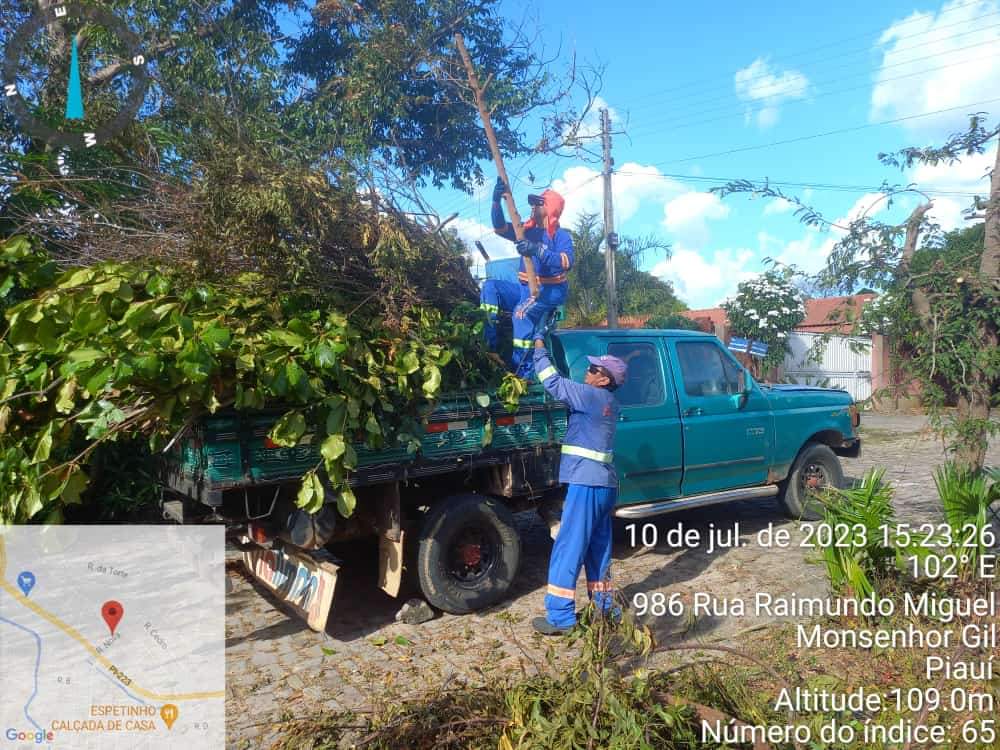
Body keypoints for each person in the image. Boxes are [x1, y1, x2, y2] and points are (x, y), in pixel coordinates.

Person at [531, 337, 627, 635]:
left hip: (586, 484)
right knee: (599, 548)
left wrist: (538, 350)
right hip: (604, 485)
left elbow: (553, 382)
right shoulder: (608, 402)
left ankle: (560, 617)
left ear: (604, 380)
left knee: (569, 546)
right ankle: (605, 608)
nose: (587, 371)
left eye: (593, 369)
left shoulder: (591, 396)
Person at [485, 177, 574, 378]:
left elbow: (566, 261)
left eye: (537, 203)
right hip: (524, 288)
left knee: (521, 314)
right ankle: (490, 346)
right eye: (532, 203)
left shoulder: (561, 236)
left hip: (549, 291)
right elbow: (500, 228)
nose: (533, 206)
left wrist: (537, 250)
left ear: (550, 208)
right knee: (490, 287)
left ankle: (522, 371)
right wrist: (496, 202)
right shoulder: (525, 231)